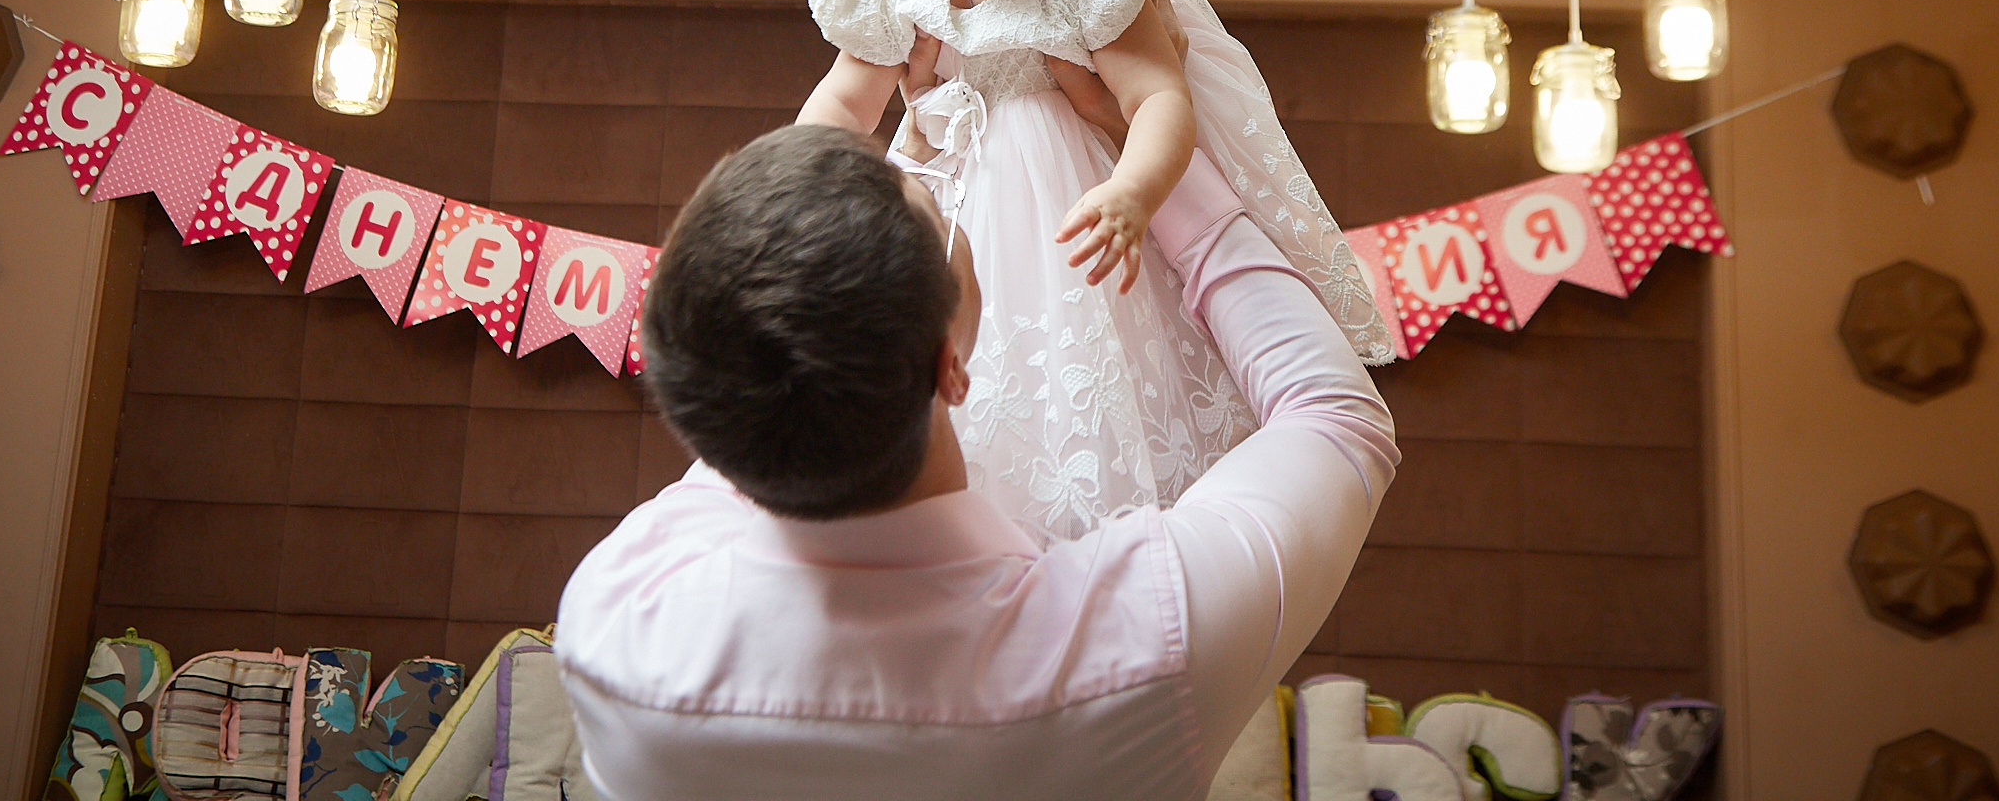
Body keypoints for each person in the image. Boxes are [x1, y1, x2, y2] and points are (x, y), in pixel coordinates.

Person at [554, 121, 1399, 801]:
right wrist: (1151, 158)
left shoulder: (618, 620)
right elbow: (1335, 416)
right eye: (936, 211)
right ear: (953, 365)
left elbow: (751, 360)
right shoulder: (1142, 641)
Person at [797, 0, 1394, 542]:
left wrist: (1135, 192)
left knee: (1092, 387)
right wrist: (794, 193)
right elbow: (840, 105)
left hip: (1082, 200)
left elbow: (1158, 98)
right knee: (962, 384)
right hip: (956, 202)